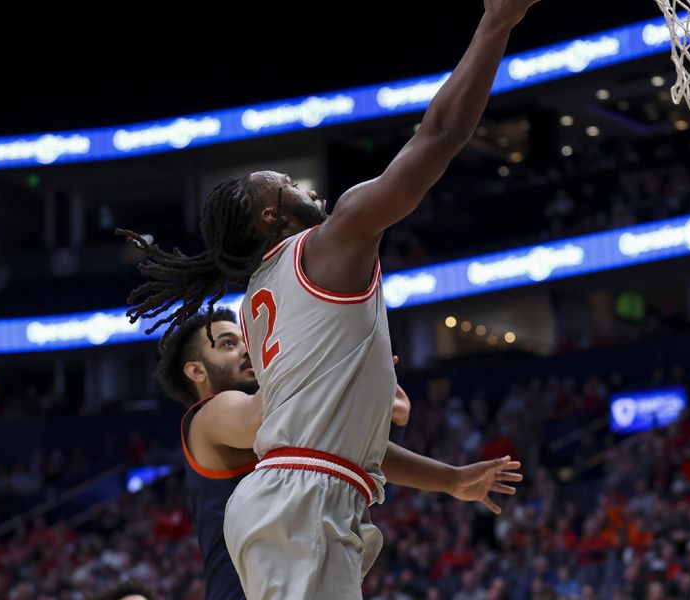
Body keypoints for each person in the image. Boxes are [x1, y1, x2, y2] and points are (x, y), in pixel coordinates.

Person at [118, 1, 540, 596]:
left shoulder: (260, 300)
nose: (305, 186)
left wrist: (448, 479)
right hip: (300, 501)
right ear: (272, 215)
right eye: (288, 184)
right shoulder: (331, 242)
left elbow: (336, 433)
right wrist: (498, 21)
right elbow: (439, 135)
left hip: (303, 497)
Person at [157, 308, 521, 599]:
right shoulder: (208, 416)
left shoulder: (285, 423)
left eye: (245, 341)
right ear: (196, 371)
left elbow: (348, 450)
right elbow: (261, 413)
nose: (246, 350)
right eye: (227, 344)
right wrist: (347, 377)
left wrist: (451, 479)